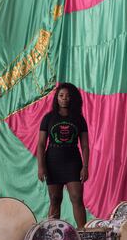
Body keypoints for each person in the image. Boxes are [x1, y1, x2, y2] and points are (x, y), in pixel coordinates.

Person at [37, 83, 89, 228]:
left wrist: (85, 166)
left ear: (73, 99)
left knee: (77, 198)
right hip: (52, 161)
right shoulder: (48, 118)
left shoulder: (79, 119)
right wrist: (41, 166)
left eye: (68, 96)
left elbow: (85, 145)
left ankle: (83, 234)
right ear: (57, 98)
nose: (64, 98)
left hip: (73, 161)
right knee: (55, 199)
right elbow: (41, 144)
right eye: (61, 95)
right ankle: (52, 234)